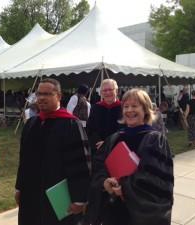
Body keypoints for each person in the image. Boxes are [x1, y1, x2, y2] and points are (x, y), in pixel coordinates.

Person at [86, 88, 174, 225]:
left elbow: (157, 181)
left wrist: (125, 188)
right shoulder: (115, 138)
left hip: (140, 214)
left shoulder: (155, 140)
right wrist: (104, 182)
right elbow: (99, 165)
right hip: (113, 210)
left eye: (134, 106)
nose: (129, 110)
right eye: (126, 106)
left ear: (145, 110)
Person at [15, 78, 90, 225]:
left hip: (58, 196)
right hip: (31, 192)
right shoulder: (31, 124)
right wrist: (19, 187)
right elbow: (24, 160)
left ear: (59, 96)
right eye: (39, 94)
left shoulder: (71, 124)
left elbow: (81, 164)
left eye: (48, 94)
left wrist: (80, 198)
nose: (42, 97)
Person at [86, 79, 122, 154]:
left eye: (110, 89)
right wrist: (99, 143)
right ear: (101, 92)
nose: (107, 92)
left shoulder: (123, 108)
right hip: (98, 149)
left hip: (118, 148)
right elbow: (90, 129)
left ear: (116, 91)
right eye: (104, 90)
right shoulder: (95, 108)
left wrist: (108, 143)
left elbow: (124, 129)